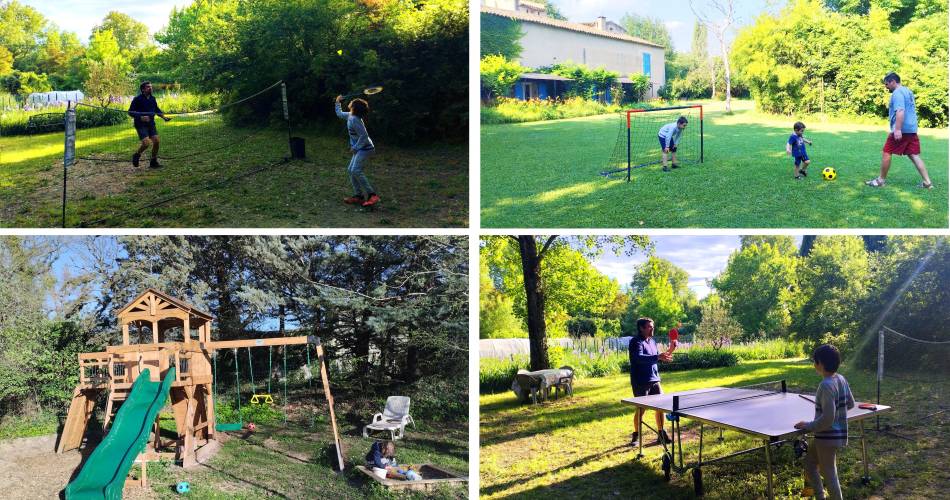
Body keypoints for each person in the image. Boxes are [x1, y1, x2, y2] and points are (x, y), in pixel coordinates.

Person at [793, 344, 855, 500]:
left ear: (820, 363)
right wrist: (838, 415)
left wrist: (807, 426)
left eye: (814, 361)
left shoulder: (825, 386)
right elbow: (851, 404)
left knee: (829, 474)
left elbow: (827, 418)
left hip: (827, 437)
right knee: (809, 463)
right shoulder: (841, 379)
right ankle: (820, 496)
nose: (814, 364)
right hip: (832, 435)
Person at [865, 72, 933, 189]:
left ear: (893, 81)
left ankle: (880, 180)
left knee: (887, 151)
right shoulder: (907, 91)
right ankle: (927, 182)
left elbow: (900, 111)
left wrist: (897, 129)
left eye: (886, 84)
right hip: (911, 129)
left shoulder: (897, 93)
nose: (886, 87)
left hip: (902, 129)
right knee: (913, 155)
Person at [628, 317, 673, 446]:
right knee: (641, 409)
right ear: (641, 328)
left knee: (660, 407)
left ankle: (661, 433)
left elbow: (655, 358)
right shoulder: (635, 342)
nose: (652, 328)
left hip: (655, 379)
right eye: (649, 326)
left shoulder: (652, 341)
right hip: (640, 381)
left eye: (652, 326)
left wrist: (667, 354)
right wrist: (658, 357)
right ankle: (636, 435)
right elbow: (638, 358)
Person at [335, 95, 379, 207]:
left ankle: (372, 195)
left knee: (356, 170)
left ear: (354, 107)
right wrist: (337, 102)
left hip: (366, 149)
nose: (351, 101)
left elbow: (364, 136)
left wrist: (355, 147)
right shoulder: (350, 115)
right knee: (351, 170)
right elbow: (339, 114)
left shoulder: (355, 120)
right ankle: (358, 196)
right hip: (361, 148)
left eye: (353, 102)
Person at [128, 81, 171, 168]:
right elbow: (130, 112)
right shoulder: (137, 99)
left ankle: (153, 162)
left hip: (151, 124)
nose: (150, 88)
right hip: (140, 125)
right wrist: (140, 117)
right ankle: (137, 155)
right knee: (146, 143)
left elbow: (156, 109)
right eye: (148, 87)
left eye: (151, 86)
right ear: (143, 89)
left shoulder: (153, 99)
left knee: (157, 141)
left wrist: (163, 117)